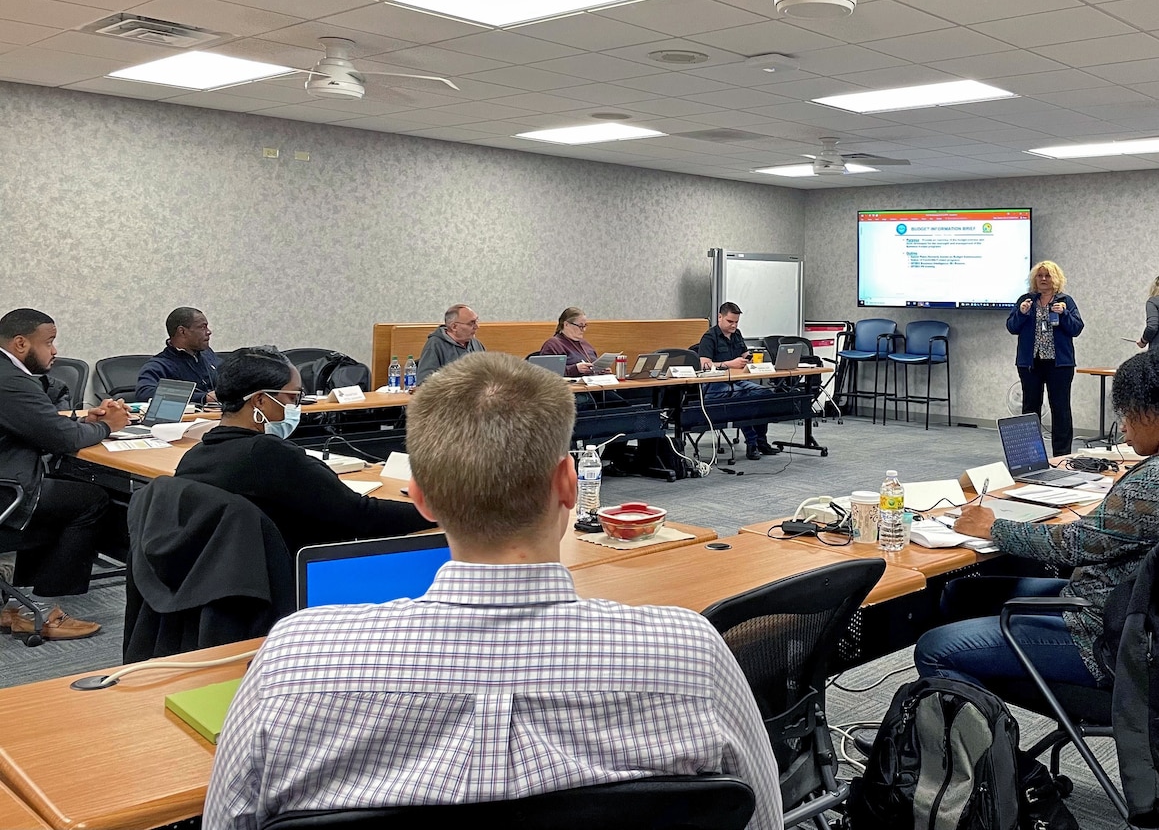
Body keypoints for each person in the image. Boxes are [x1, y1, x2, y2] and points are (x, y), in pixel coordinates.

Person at [205, 352, 783, 830]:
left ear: (420, 498)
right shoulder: (691, 654)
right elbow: (762, 821)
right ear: (567, 484)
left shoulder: (293, 661)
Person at [914, 347, 1159, 690]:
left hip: (1102, 635)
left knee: (935, 648)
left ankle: (979, 733)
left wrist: (991, 526)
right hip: (1125, 609)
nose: (1123, 427)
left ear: (1158, 412)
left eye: (1129, 413)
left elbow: (1073, 546)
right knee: (962, 594)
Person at [175, 346, 432, 556]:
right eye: (293, 398)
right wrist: (439, 513)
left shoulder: (195, 456)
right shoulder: (268, 455)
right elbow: (361, 515)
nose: (297, 407)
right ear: (260, 400)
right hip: (298, 580)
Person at [0, 308, 130, 639]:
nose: (55, 351)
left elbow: (43, 427)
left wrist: (86, 424)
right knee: (92, 500)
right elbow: (61, 439)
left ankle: (18, 600)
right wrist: (106, 426)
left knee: (70, 489)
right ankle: (42, 606)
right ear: (20, 343)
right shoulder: (11, 382)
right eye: (50, 342)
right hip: (5, 494)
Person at [1007, 260, 1084, 456]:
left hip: (1059, 364)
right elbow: (1012, 327)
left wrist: (1064, 314)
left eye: (1047, 276)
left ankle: (1062, 455)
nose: (1043, 279)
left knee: (1060, 409)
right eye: (1039, 276)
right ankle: (1029, 454)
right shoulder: (1026, 300)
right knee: (1030, 409)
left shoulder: (1065, 301)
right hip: (1030, 364)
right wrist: (1022, 313)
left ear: (1055, 279)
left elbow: (1077, 328)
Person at [697, 302, 777, 460]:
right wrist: (729, 364)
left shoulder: (737, 335)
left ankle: (761, 440)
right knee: (741, 397)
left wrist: (748, 359)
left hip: (737, 380)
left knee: (764, 393)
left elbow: (744, 354)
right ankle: (752, 442)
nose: (733, 325)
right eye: (730, 321)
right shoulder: (709, 337)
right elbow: (704, 365)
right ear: (720, 317)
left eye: (736, 322)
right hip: (714, 386)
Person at [135, 307, 219, 405]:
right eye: (202, 327)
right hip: (190, 418)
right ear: (182, 331)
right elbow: (144, 393)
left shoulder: (207, 355)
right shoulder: (160, 365)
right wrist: (204, 398)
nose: (208, 332)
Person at [416, 304, 485, 384]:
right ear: (454, 327)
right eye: (471, 323)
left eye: (477, 321)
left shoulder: (476, 344)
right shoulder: (435, 345)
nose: (477, 326)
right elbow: (424, 382)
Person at [537, 307, 600, 376]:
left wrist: (602, 371)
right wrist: (575, 369)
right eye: (580, 326)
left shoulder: (586, 345)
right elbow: (546, 372)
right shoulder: (553, 345)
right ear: (566, 324)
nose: (584, 330)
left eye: (585, 326)